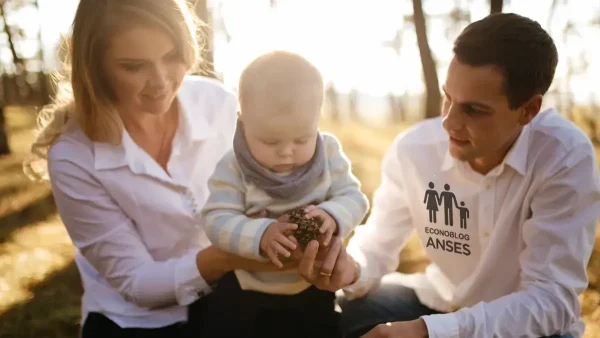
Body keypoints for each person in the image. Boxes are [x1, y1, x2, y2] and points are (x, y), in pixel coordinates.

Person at [297, 13, 600, 338]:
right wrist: (351, 269)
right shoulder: (414, 150)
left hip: (525, 324)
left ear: (528, 110)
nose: (448, 123)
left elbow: (550, 301)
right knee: (348, 310)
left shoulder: (563, 156)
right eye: (448, 98)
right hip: (440, 301)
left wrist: (429, 332)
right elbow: (377, 245)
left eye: (474, 110)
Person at [24, 1, 291, 336]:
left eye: (171, 56)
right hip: (136, 320)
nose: (161, 82)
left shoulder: (218, 104)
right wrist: (230, 256)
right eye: (134, 67)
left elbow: (274, 190)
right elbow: (137, 282)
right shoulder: (73, 157)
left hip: (234, 292)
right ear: (95, 67)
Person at [199, 50, 369, 338]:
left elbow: (354, 198)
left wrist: (332, 214)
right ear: (243, 121)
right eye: (271, 140)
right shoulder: (234, 165)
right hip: (245, 287)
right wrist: (261, 233)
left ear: (316, 120)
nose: (287, 150)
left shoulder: (327, 152)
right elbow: (216, 219)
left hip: (311, 284)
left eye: (301, 139)